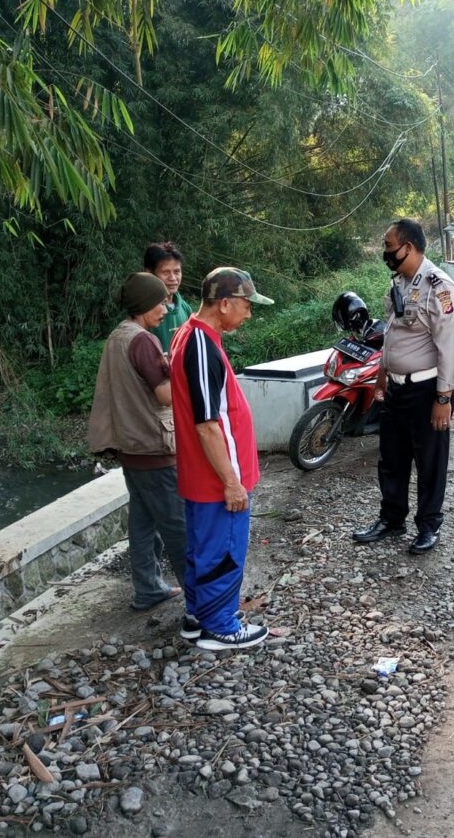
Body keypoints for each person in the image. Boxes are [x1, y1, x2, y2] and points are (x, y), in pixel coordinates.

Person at [169, 267, 274, 650]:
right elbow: (207, 424)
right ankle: (221, 626)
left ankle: (199, 616)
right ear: (225, 303)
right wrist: (232, 481)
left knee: (202, 548)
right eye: (247, 305)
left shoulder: (196, 336)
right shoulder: (199, 342)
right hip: (216, 479)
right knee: (223, 549)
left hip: (207, 476)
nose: (249, 314)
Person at [352, 218, 454, 555]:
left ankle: (428, 525)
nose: (385, 252)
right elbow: (393, 333)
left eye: (389, 246)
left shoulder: (439, 288)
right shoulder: (399, 282)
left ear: (409, 248)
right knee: (392, 457)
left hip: (429, 390)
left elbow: (451, 348)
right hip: (397, 388)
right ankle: (392, 518)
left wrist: (444, 398)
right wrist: (382, 375)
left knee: (429, 460)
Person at [87, 272, 187, 614]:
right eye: (161, 302)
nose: (166, 308)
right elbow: (164, 395)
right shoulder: (143, 341)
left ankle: (148, 589)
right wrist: (179, 367)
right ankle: (204, 599)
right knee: (178, 526)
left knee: (143, 524)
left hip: (131, 447)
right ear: (145, 304)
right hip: (153, 446)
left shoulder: (117, 336)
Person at [144, 242, 190, 354]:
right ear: (149, 272)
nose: (173, 278)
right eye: (165, 272)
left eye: (177, 271)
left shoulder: (185, 308)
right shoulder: (144, 310)